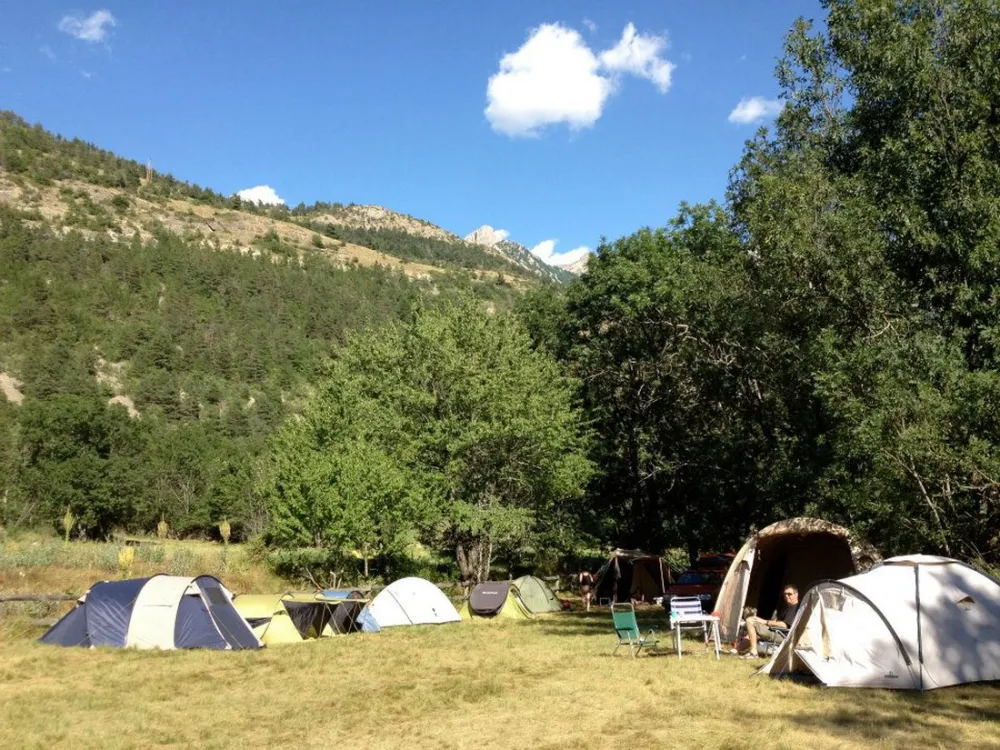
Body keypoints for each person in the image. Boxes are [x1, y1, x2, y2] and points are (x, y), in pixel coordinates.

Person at [742, 584, 799, 659]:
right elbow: (776, 621)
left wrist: (765, 622)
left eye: (789, 594)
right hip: (777, 631)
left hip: (783, 635)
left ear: (796, 594)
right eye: (785, 594)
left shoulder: (795, 608)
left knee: (750, 621)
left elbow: (784, 625)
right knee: (753, 629)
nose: (786, 596)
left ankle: (754, 653)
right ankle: (736, 650)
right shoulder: (787, 608)